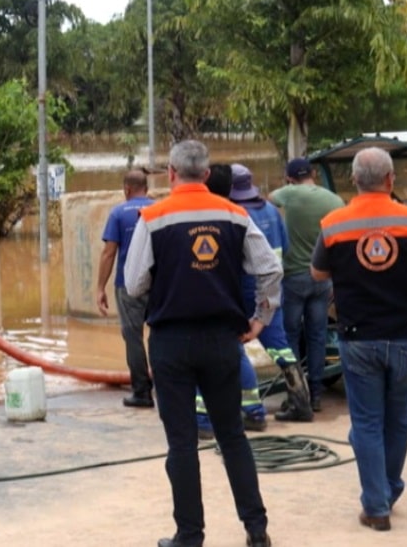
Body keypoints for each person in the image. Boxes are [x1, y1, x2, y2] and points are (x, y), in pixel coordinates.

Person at [126, 140, 280, 547]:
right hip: (222, 341)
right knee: (232, 436)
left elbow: (134, 282)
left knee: (182, 444)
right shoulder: (235, 214)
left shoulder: (153, 217)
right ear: (207, 175)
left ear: (172, 174)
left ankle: (189, 536)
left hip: (171, 343)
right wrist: (260, 319)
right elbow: (270, 269)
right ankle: (256, 529)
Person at [311, 147, 407, 531]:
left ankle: (377, 505)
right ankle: (388, 489)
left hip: (358, 337)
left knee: (367, 423)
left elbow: (318, 275)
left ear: (353, 180)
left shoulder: (334, 223)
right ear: (391, 181)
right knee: (398, 419)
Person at [231, 164, 313, 422]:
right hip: (273, 288)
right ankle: (302, 402)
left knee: (235, 344)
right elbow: (285, 248)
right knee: (279, 346)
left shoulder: (237, 214)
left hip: (245, 286)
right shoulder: (271, 210)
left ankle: (252, 409)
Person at [195, 163, 270, 438]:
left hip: (200, 306)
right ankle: (255, 411)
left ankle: (203, 420)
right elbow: (270, 267)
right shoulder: (239, 218)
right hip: (233, 304)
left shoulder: (192, 216)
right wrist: (261, 316)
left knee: (198, 360)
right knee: (237, 356)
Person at [268, 158, 344, 412]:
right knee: (317, 336)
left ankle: (296, 394)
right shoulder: (334, 200)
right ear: (313, 173)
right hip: (322, 278)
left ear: (290, 177)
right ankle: (316, 395)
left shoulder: (288, 193)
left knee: (289, 335)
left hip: (293, 277)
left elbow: (268, 200)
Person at [96, 169, 155, 407]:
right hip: (159, 284)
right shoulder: (159, 209)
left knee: (133, 337)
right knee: (160, 334)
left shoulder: (118, 213)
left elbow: (109, 252)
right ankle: (168, 385)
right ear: (147, 188)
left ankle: (142, 392)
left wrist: (100, 287)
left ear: (127, 189)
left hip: (128, 285)